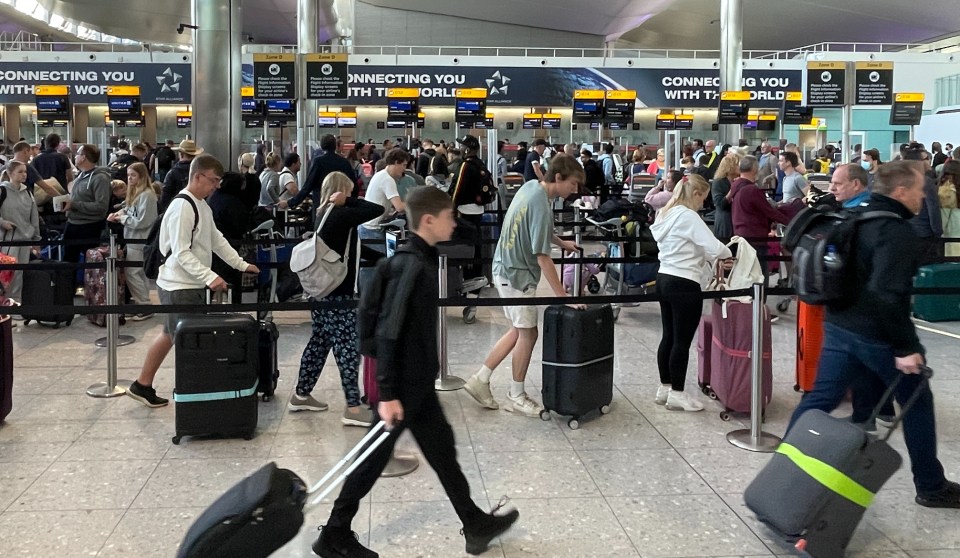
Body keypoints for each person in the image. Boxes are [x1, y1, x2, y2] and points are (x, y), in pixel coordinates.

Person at [312, 186, 519, 558]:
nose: (453, 222)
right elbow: (390, 331)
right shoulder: (413, 267)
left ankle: (474, 523)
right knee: (372, 460)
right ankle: (334, 533)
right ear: (428, 220)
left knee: (442, 452)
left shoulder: (416, 261)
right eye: (448, 216)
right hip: (403, 386)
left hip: (415, 384)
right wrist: (388, 392)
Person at [786, 161, 960, 509]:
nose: (922, 195)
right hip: (875, 336)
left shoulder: (855, 215)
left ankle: (786, 474)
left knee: (819, 400)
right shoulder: (895, 231)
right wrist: (906, 347)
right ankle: (930, 485)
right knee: (917, 402)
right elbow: (887, 293)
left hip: (838, 326)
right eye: (918, 189)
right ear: (900, 191)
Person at [125, 154, 259, 408]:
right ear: (197, 176)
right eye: (213, 180)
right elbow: (180, 251)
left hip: (187, 283)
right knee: (187, 340)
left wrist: (241, 265)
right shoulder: (182, 207)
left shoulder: (201, 205)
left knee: (170, 334)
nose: (216, 186)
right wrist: (210, 276)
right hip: (179, 285)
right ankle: (193, 394)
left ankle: (143, 384)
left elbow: (217, 240)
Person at [463, 155, 583, 416]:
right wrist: (563, 296)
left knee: (519, 330)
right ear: (559, 178)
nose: (574, 191)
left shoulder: (532, 187)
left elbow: (538, 227)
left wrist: (562, 243)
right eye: (573, 184)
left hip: (505, 268)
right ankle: (516, 394)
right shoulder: (540, 203)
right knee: (528, 333)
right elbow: (542, 256)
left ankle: (480, 379)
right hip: (517, 276)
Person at [290, 171, 383, 426]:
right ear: (342, 190)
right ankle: (353, 408)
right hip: (337, 293)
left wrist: (382, 260)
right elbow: (376, 208)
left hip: (319, 291)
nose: (353, 195)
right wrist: (348, 201)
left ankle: (301, 394)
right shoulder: (341, 213)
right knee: (347, 347)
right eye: (350, 191)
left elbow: (350, 249)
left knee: (320, 342)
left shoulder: (323, 214)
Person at [650, 174, 732, 411]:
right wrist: (728, 252)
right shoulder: (688, 216)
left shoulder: (665, 213)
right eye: (702, 198)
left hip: (664, 277)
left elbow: (686, 244)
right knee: (682, 341)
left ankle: (664, 387)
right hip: (685, 282)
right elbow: (714, 247)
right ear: (695, 194)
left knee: (668, 336)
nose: (703, 204)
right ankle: (677, 392)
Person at [449, 134, 492, 324]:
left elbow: (457, 190)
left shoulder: (466, 165)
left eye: (463, 146)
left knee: (463, 249)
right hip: (477, 211)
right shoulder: (481, 165)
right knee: (474, 246)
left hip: (464, 212)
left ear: (468, 149)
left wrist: (449, 208)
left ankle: (466, 280)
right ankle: (474, 280)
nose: (460, 149)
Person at [727, 155, 790, 282]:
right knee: (760, 274)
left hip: (741, 236)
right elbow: (769, 211)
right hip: (755, 238)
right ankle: (760, 301)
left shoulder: (735, 186)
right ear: (755, 169)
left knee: (747, 274)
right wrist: (791, 222)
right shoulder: (751, 190)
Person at [107, 162, 157, 320]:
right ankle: (142, 302)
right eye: (128, 175)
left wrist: (122, 218)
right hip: (133, 238)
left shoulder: (147, 195)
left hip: (140, 239)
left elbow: (142, 221)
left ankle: (144, 304)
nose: (129, 178)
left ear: (142, 176)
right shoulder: (136, 193)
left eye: (133, 175)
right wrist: (119, 214)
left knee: (132, 272)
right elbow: (129, 210)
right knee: (138, 272)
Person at [62, 144, 112, 269]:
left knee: (90, 264)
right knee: (68, 263)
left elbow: (101, 206)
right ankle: (67, 288)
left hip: (89, 227)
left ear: (84, 157)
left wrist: (74, 204)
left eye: (78, 154)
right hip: (72, 224)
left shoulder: (100, 179)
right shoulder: (81, 175)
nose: (75, 156)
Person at [281, 134, 358, 210]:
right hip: (341, 206)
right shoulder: (344, 162)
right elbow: (354, 186)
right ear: (335, 146)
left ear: (322, 146)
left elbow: (307, 187)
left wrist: (290, 203)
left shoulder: (318, 162)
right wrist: (350, 202)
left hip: (321, 205)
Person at [0, 161, 40, 302]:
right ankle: (6, 305)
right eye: (20, 172)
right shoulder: (2, 191)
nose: (24, 174)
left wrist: (36, 240)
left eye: (25, 171)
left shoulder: (28, 192)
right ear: (10, 173)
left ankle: (15, 304)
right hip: (7, 240)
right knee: (8, 274)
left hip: (25, 239)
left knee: (20, 274)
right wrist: (2, 222)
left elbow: (34, 217)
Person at [160, 139, 204, 211]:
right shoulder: (201, 172)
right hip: (197, 209)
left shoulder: (172, 173)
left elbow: (165, 198)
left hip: (177, 209)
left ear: (181, 154)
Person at [711, 152, 741, 244]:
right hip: (725, 222)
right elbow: (719, 204)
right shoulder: (718, 182)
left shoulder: (739, 180)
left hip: (736, 221)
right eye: (737, 165)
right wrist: (732, 190)